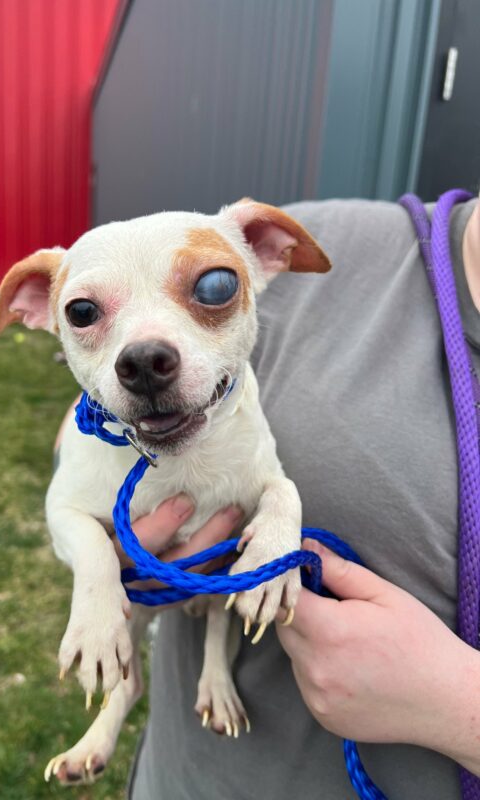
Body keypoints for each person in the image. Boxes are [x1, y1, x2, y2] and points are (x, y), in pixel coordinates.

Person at [124, 193, 480, 799]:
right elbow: (98, 408)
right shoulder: (284, 244)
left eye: (211, 292)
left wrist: (456, 704)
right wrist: (111, 523)